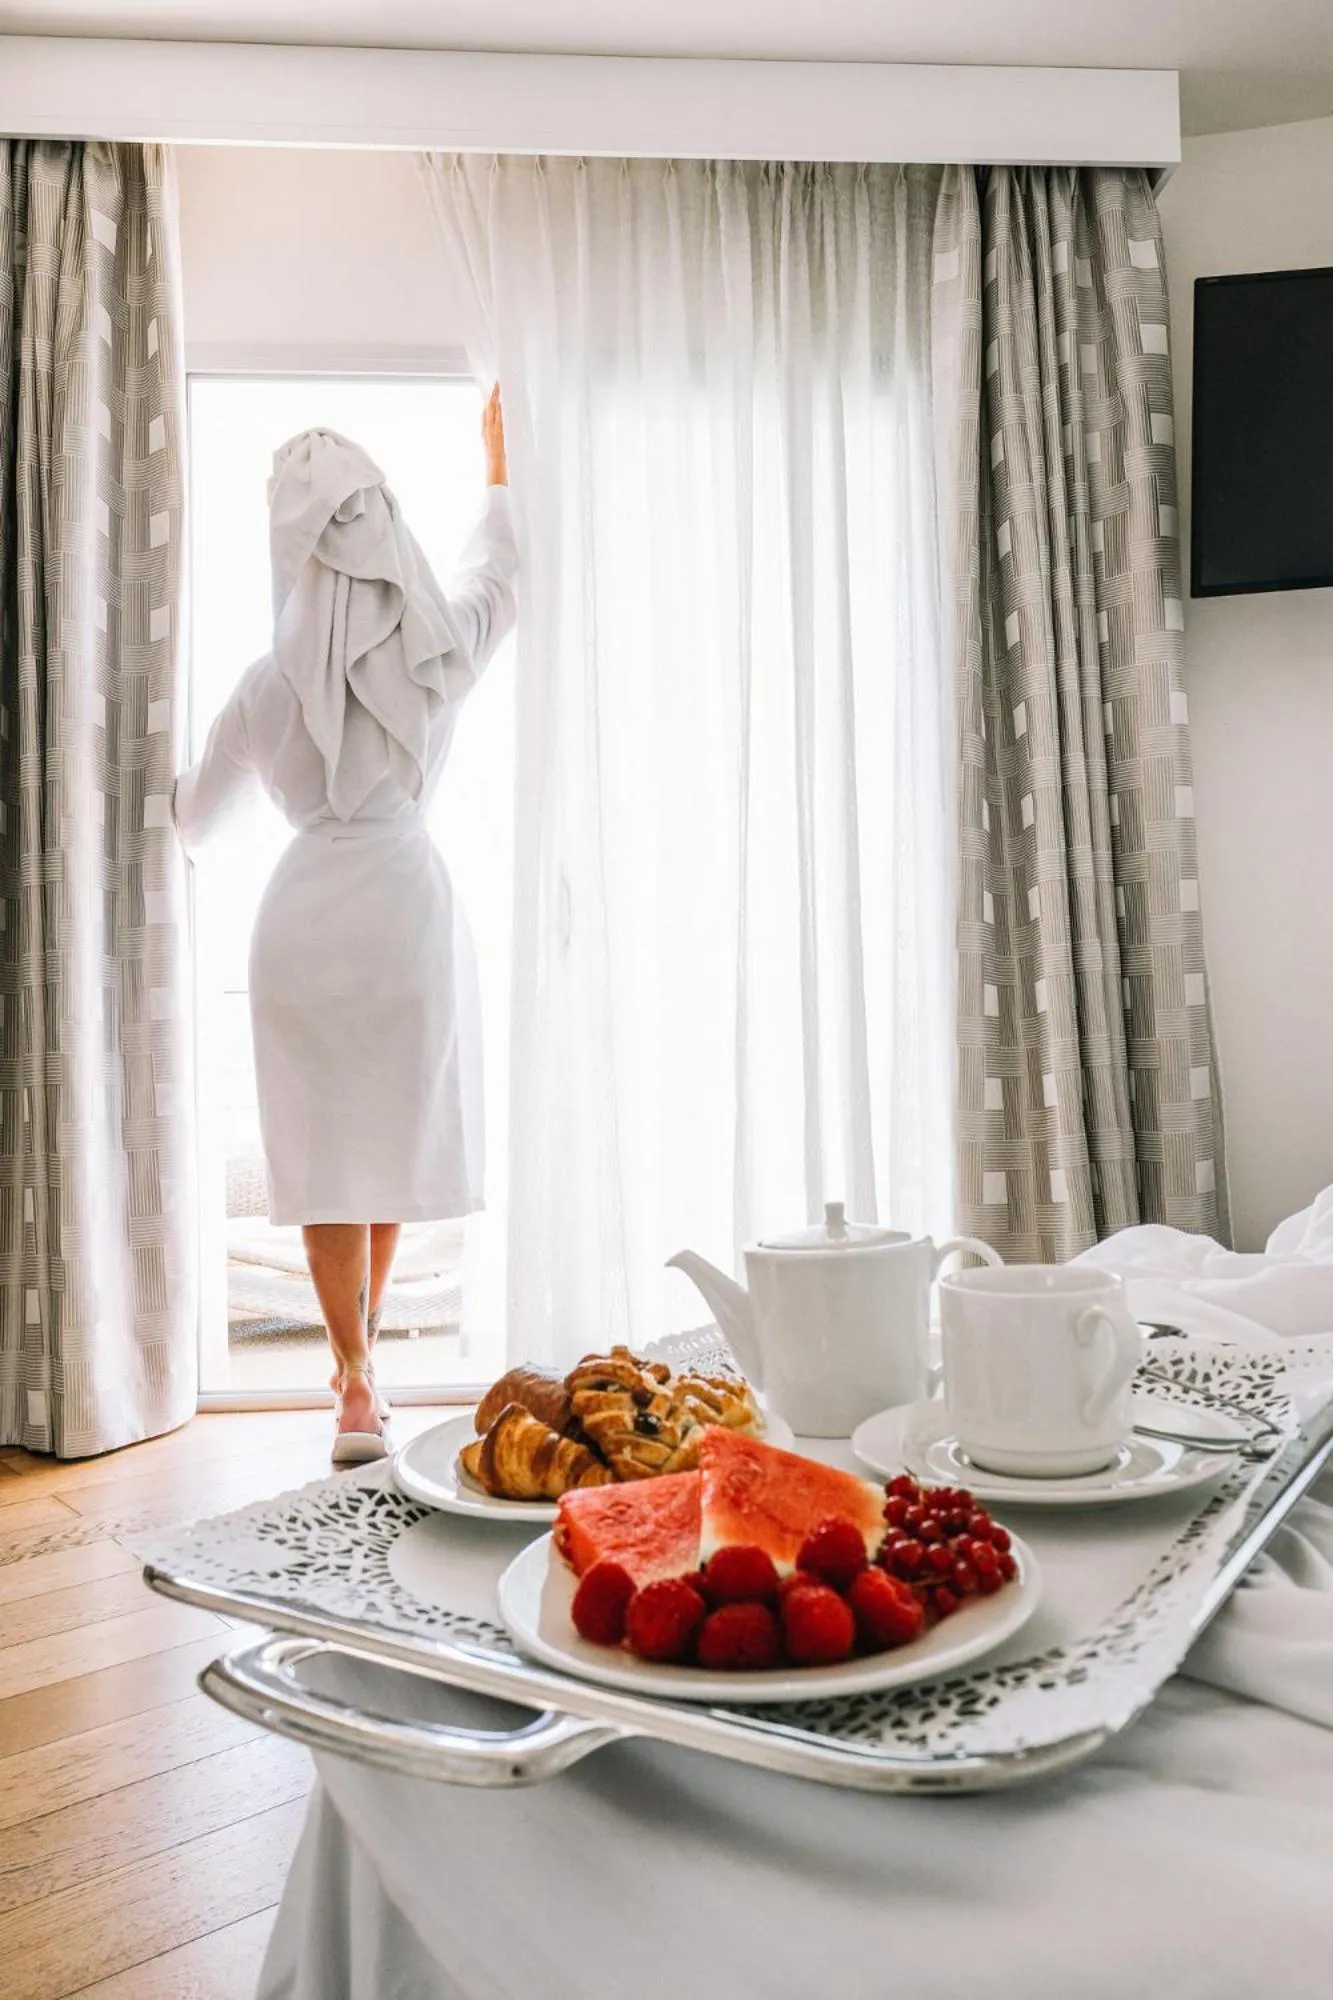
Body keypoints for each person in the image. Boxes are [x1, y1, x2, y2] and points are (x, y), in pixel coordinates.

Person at [175, 389, 516, 1461]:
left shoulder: (266, 686)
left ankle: (354, 1381)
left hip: (303, 924)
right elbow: (499, 579)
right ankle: (362, 1367)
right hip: (404, 919)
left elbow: (193, 816)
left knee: (330, 1152)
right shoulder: (438, 651)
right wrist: (498, 467)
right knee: (381, 1145)